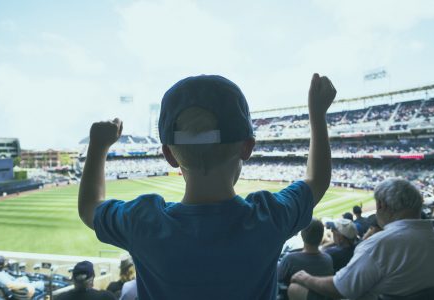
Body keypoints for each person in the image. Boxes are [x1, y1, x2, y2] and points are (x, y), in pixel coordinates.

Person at [78, 73, 337, 299]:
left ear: (169, 155)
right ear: (247, 147)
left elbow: (90, 207)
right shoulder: (270, 215)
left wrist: (98, 146)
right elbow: (317, 180)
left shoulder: (143, 221)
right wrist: (318, 114)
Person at [289, 179, 434, 300]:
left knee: (296, 288)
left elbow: (341, 289)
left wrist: (306, 278)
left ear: (381, 206)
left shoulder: (379, 244)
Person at [277, 219, 334, 300]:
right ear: (321, 237)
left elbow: (278, 280)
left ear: (302, 236)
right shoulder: (328, 259)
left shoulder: (290, 259)